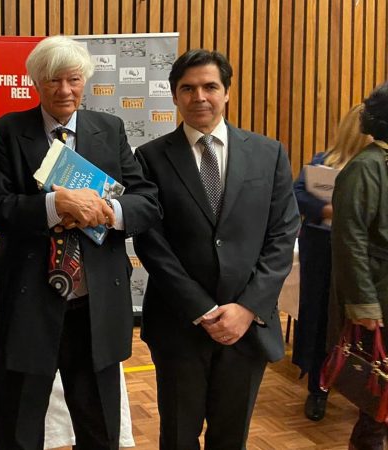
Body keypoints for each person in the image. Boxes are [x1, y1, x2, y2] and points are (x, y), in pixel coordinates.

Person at [0, 35, 161, 449]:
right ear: (34, 83)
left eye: (73, 79)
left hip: (94, 306)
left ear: (85, 82)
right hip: (29, 303)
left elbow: (146, 202)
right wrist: (53, 205)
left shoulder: (110, 128)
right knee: (19, 429)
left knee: (99, 426)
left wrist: (111, 213)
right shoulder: (8, 132)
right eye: (52, 81)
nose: (64, 91)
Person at [134, 49, 299, 449]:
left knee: (231, 437)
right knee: (177, 435)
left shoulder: (268, 153)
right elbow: (151, 241)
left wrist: (246, 308)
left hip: (248, 328)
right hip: (180, 325)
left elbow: (282, 233)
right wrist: (201, 309)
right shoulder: (150, 158)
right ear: (174, 96)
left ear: (226, 93)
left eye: (210, 86)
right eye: (187, 88)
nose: (200, 97)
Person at [292, 103, 372, 422]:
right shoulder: (322, 162)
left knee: (364, 324)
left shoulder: (378, 167)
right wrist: (327, 211)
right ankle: (318, 388)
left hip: (364, 257)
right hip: (323, 253)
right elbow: (298, 194)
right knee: (320, 322)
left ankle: (368, 392)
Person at [328, 82, 388, 450]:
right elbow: (349, 241)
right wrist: (364, 305)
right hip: (379, 298)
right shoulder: (365, 168)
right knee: (377, 401)